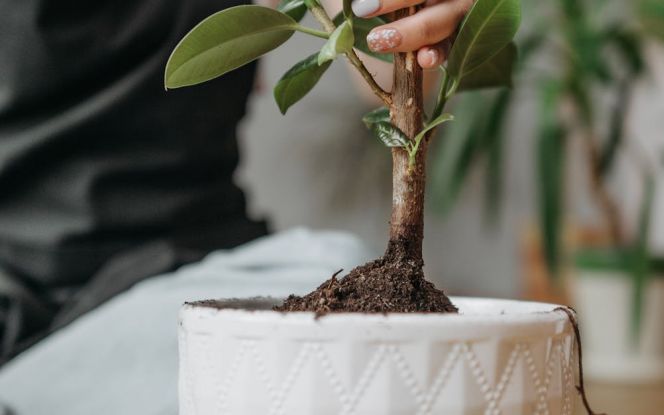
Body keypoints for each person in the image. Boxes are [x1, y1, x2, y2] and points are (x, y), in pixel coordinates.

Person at [0, 0, 473, 364]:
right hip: (17, 279)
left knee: (344, 329)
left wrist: (407, 19)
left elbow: (386, 62)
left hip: (194, 266)